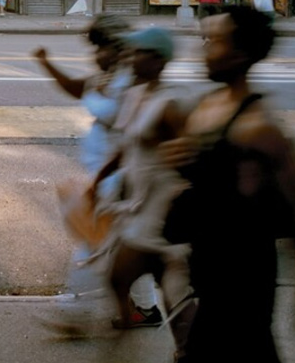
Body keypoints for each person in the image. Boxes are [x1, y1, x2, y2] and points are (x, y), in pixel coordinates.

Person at [160, 7, 295, 363]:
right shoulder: (210, 104)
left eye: (213, 41)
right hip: (209, 273)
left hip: (244, 282)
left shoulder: (258, 126)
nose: (202, 49)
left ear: (239, 53)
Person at [35, 14, 161, 335]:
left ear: (117, 48)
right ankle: (145, 309)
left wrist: (107, 179)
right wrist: (46, 64)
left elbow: (126, 129)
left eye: (101, 47)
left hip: (118, 175)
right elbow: (78, 89)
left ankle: (73, 309)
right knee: (123, 241)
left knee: (93, 242)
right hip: (106, 172)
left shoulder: (129, 81)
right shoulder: (110, 77)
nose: (95, 55)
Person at [90, 27, 195, 352]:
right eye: (131, 53)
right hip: (138, 207)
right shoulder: (135, 95)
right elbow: (125, 146)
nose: (131, 59)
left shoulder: (170, 105)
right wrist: (97, 181)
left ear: (159, 60)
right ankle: (166, 343)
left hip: (163, 210)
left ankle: (184, 348)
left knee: (157, 285)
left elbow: (191, 162)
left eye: (140, 54)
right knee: (131, 280)